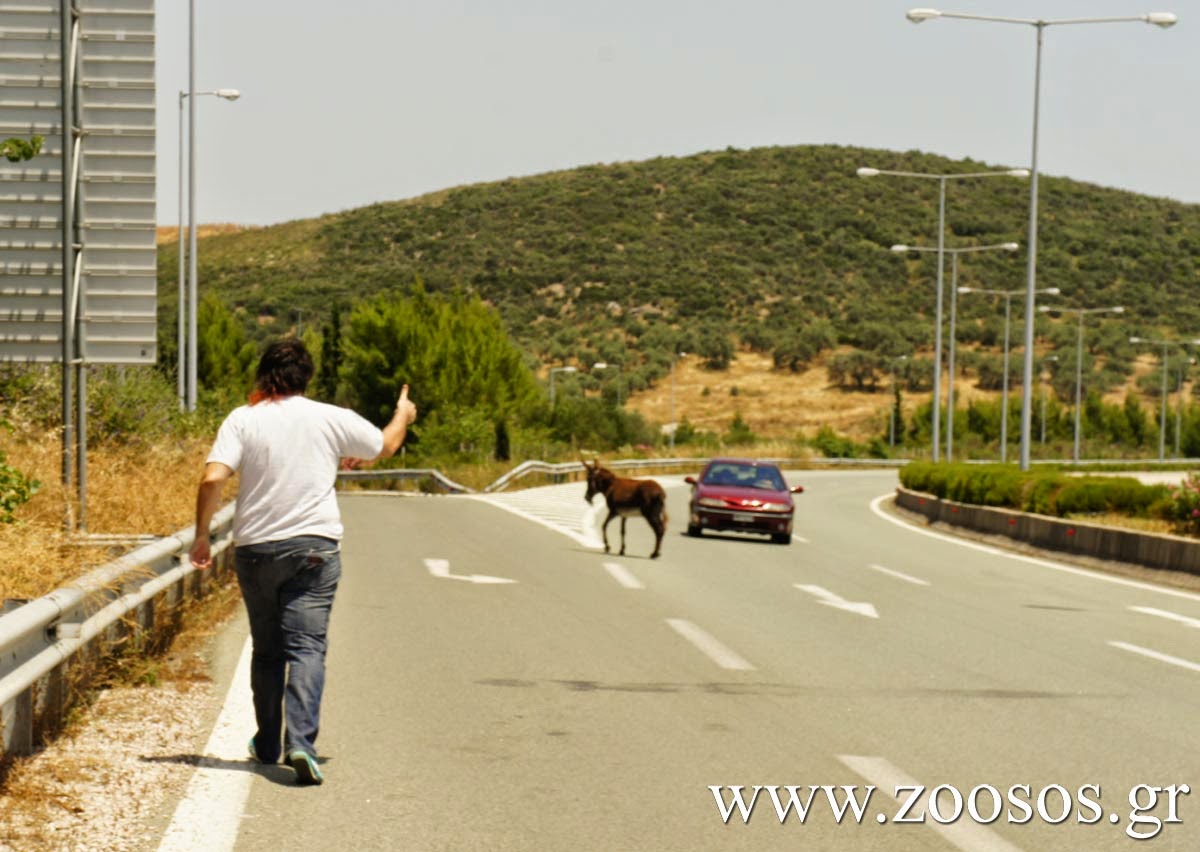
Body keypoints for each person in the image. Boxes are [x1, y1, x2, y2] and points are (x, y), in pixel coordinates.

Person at [188, 338, 417, 785]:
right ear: (306, 377)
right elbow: (385, 447)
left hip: (256, 550)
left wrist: (201, 535)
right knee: (307, 648)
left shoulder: (242, 419)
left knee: (268, 649)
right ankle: (301, 744)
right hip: (314, 548)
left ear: (263, 375)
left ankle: (268, 743)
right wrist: (402, 415)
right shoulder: (331, 417)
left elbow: (213, 477)